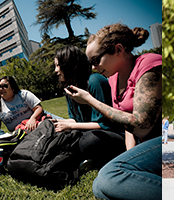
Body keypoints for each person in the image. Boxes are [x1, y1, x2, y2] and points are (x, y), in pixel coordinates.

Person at [65, 23, 163, 199]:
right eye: (90, 63)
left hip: (166, 141)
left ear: (118, 50)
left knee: (109, 177)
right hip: (144, 144)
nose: (93, 67)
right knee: (99, 187)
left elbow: (141, 126)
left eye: (96, 60)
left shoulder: (148, 65)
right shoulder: (113, 80)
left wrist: (90, 100)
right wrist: (129, 156)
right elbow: (128, 128)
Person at [50, 45, 126, 169]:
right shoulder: (70, 89)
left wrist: (71, 126)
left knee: (89, 141)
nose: (56, 70)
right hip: (88, 131)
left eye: (58, 65)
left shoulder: (95, 81)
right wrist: (57, 123)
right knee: (62, 136)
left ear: (69, 64)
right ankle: (86, 159)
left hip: (112, 134)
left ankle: (88, 159)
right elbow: (76, 120)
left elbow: (105, 124)